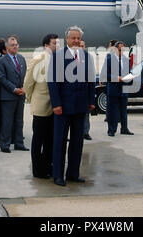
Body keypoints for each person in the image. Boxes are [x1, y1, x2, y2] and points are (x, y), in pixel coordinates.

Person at [48, 26, 96, 186]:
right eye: (73, 38)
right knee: (59, 142)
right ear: (66, 39)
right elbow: (52, 82)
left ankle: (73, 174)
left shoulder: (86, 56)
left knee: (77, 142)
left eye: (78, 38)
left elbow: (90, 81)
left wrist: (91, 101)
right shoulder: (58, 56)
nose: (75, 41)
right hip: (62, 107)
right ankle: (58, 175)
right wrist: (56, 104)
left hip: (81, 106)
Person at [24, 33, 59, 178]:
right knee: (38, 139)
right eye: (54, 43)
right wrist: (32, 99)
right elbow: (28, 83)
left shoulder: (58, 60)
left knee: (50, 140)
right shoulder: (38, 60)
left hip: (55, 107)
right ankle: (38, 170)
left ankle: (48, 166)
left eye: (58, 43)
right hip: (41, 106)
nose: (57, 46)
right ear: (46, 46)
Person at [0, 35, 28, 152]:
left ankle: (19, 143)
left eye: (16, 45)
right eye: (12, 45)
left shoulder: (21, 58)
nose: (15, 47)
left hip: (20, 95)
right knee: (7, 121)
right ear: (7, 47)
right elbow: (2, 78)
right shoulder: (1, 61)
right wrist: (14, 89)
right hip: (9, 95)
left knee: (19, 120)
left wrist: (23, 87)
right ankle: (5, 144)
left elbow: (24, 74)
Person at [101, 41, 133, 137]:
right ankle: (111, 130)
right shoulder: (109, 59)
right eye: (120, 50)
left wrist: (130, 78)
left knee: (123, 110)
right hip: (113, 89)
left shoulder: (126, 60)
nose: (121, 51)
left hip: (124, 89)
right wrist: (116, 78)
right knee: (112, 111)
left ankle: (124, 128)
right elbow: (105, 75)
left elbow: (128, 73)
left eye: (123, 50)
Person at [80, 40, 92, 140]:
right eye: (80, 46)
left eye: (83, 46)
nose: (81, 48)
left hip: (85, 91)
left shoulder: (88, 58)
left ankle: (85, 132)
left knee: (86, 114)